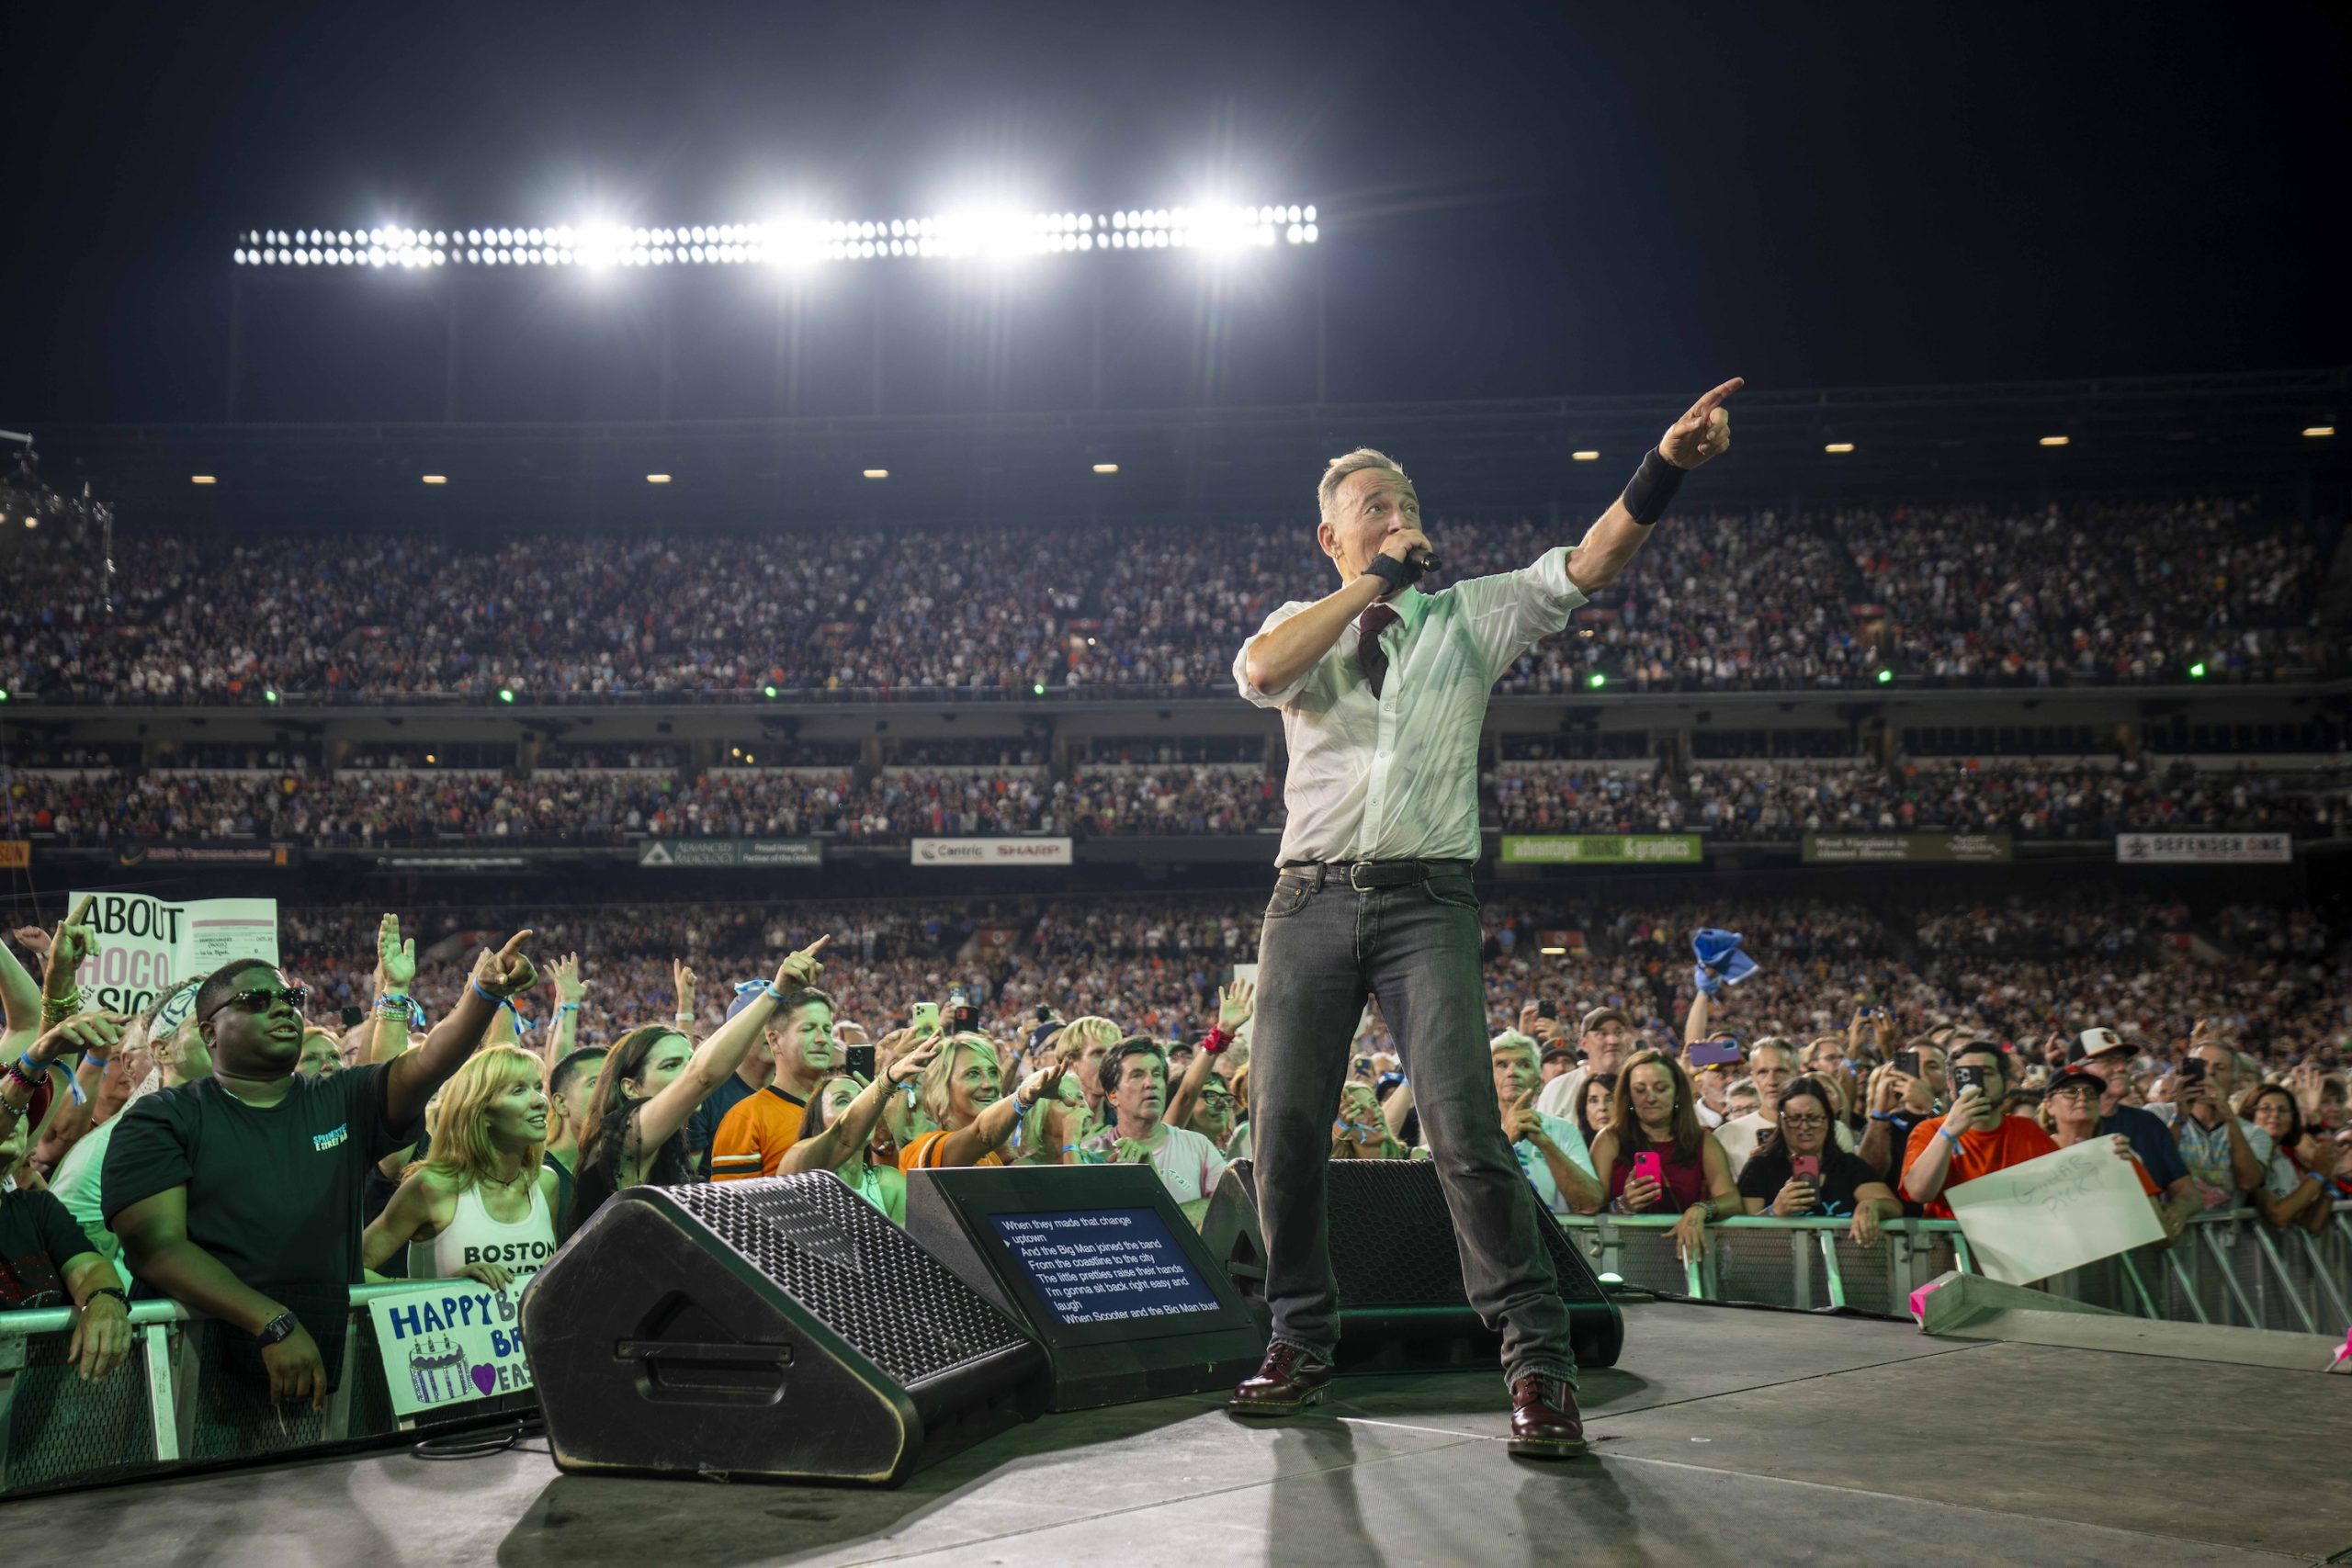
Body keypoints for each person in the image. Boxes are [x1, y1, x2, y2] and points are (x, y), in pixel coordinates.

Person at [1222, 383, 1746, 1461]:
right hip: (1307, 899)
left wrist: (1664, 465)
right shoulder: (1296, 624)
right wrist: (1371, 583)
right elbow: (1265, 673)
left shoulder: (1469, 615)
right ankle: (1299, 1340)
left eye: (1405, 504)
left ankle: (1536, 1362)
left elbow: (1591, 561)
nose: (1396, 515)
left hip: (1425, 901)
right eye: (1372, 506)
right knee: (1282, 1135)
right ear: (1331, 537)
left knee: (1463, 1132)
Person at [105, 932, 536, 1410]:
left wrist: (483, 995)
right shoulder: (161, 1118)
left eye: (290, 998)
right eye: (256, 1001)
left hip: (322, 1375)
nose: (281, 1009)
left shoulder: (340, 1099)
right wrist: (271, 1321)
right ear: (210, 1033)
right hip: (192, 1376)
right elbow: (157, 1249)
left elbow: (426, 1064)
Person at [571, 937, 829, 1230]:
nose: (685, 1073)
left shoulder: (670, 1146)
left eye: (688, 1061)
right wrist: (775, 993)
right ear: (630, 1087)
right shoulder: (618, 1141)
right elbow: (700, 1077)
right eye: (671, 1066)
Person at [0, 1009, 135, 1380]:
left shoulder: (36, 1208)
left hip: (36, 1407)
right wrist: (32, 1062)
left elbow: (89, 1266)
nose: (17, 1118)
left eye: (25, 1111)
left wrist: (104, 1298)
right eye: (11, 1109)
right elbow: (29, 1016)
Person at [362, 1045, 560, 1290]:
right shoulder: (433, 1186)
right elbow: (354, 1270)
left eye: (538, 1087)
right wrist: (445, 1289)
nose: (540, 1101)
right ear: (482, 1112)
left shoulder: (546, 1183)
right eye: (518, 1090)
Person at [51, 980, 209, 1265]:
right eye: (203, 1024)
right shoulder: (113, 1146)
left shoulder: (219, 1129)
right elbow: (84, 1269)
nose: (224, 1032)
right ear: (161, 1050)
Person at [773, 1032, 944, 1224]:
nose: (861, 1110)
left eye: (861, 1099)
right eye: (842, 1100)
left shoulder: (888, 1184)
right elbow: (844, 1137)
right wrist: (889, 1077)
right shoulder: (797, 1160)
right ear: (817, 1117)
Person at [1589, 1050, 1742, 1263]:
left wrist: (1700, 1209)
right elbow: (1591, 1208)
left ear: (1677, 1093)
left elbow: (1732, 1200)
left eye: (1661, 1089)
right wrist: (1624, 1205)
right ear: (1628, 1096)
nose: (1651, 1098)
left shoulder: (1703, 1141)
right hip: (1621, 1257)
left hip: (1684, 1257)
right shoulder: (1609, 1140)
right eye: (1640, 1090)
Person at [1900, 1040, 2062, 1218]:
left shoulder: (2028, 1130)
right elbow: (1918, 1193)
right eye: (1966, 1074)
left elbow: (2062, 1187)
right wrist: (1948, 1133)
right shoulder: (1929, 1130)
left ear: (2006, 1083)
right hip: (1953, 1236)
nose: (1978, 1082)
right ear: (1951, 1085)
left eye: (1987, 1073)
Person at [1736, 1077, 1901, 1245]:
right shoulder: (1760, 1167)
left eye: (1813, 1118)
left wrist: (1872, 1205)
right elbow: (1738, 1234)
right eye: (1794, 1118)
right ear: (1781, 1122)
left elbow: (1893, 1207)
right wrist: (1774, 1212)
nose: (1805, 1127)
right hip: (1778, 1259)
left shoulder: (1848, 1165)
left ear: (1828, 1121)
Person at [2070, 1028, 2197, 1236]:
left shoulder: (2148, 1123)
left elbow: (2188, 1192)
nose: (2121, 1067)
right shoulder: (2061, 1127)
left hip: (2146, 1251)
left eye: (2123, 1060)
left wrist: (2177, 1211)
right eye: (2108, 1061)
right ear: (2076, 1070)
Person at [708, 986, 840, 1181]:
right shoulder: (745, 1119)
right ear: (775, 1040)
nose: (822, 1039)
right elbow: (736, 1200)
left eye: (827, 1030)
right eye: (808, 1029)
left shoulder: (851, 1103)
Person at [1085, 1037, 1233, 1208]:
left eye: (1156, 1074)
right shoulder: (1093, 1153)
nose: (1150, 1083)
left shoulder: (1198, 1146)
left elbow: (1231, 1206)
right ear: (1113, 1095)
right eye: (1137, 1075)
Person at [899, 1033, 1057, 1171]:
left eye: (993, 1072)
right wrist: (1021, 1099)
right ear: (941, 1085)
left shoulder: (990, 1158)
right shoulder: (922, 1149)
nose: (989, 1084)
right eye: (973, 1074)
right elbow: (983, 1136)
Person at [2150, 1032, 2270, 1211]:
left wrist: (2229, 1118)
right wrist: (2179, 1118)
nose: (2209, 1072)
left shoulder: (2254, 1134)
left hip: (2225, 1228)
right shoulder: (2157, 1115)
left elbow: (2249, 1182)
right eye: (2201, 1066)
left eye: (2220, 1067)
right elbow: (2152, 1173)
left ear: (2235, 1082)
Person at [1488, 1031, 1599, 1218]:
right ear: (1487, 1078)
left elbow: (1590, 1204)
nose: (1512, 1072)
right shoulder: (1469, 1131)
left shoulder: (1564, 1130)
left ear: (1538, 1081)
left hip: (1552, 1237)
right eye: (1501, 1065)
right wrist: (1506, 1140)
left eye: (1524, 1064)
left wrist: (1546, 1143)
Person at [1713, 1038, 1855, 1179]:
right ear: (1753, 1078)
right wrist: (1753, 1171)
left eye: (1780, 1071)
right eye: (1763, 1072)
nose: (1772, 1081)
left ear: (1797, 1074)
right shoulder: (1726, 1135)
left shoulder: (1836, 1131)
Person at [683, 968, 777, 1170]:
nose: (772, 1030)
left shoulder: (799, 1086)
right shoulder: (708, 1093)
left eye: (779, 1020)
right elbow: (687, 1176)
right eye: (761, 1020)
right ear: (735, 1030)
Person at [2237, 1084, 2333, 1235]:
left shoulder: (2282, 1160)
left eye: (2282, 1110)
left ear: (2293, 1118)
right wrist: (2317, 1173)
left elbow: (2309, 1224)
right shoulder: (2247, 1159)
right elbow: (2278, 1215)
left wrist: (2329, 1184)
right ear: (2250, 1115)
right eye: (2266, 1109)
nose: (2275, 1115)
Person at [540, 1045, 606, 1239]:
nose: (610, 1093)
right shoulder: (534, 1175)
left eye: (615, 1083)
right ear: (561, 1103)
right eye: (595, 1083)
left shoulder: (625, 1169)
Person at [1857, 1043, 1946, 1182]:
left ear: (1948, 1077)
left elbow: (1961, 1150)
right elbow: (1866, 1177)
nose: (1921, 1073)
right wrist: (1880, 1112)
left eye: (1932, 1066)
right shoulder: (1885, 1120)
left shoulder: (1959, 1114)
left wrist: (1931, 1104)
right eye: (1915, 1065)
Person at [1533, 1007, 1636, 1123]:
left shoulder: (1639, 1087)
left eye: (1619, 1033)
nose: (1613, 1041)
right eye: (1602, 1034)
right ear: (1584, 1044)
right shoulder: (1557, 1089)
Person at [1574, 1070, 1617, 1148]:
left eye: (1610, 1099)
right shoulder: (1573, 1149)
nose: (1602, 1107)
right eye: (1593, 1101)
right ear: (1584, 1110)